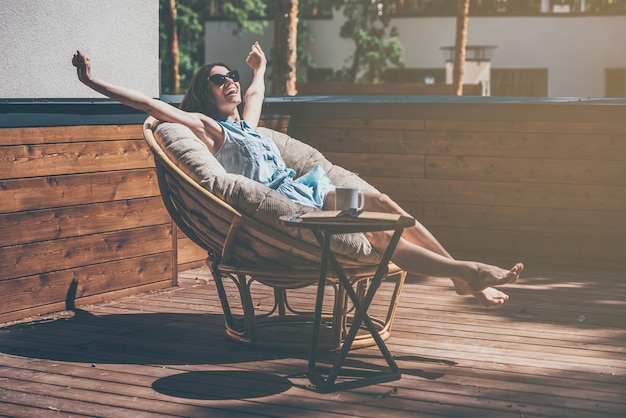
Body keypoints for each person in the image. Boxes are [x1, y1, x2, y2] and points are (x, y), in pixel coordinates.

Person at [72, 43, 523, 308]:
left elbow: (257, 92)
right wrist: (93, 83)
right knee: (380, 233)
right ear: (203, 95)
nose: (229, 82)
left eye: (231, 76)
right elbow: (154, 107)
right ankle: (466, 273)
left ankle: (462, 275)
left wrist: (260, 69)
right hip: (291, 209)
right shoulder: (210, 129)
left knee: (382, 207)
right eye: (218, 79)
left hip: (313, 192)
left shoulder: (246, 124)